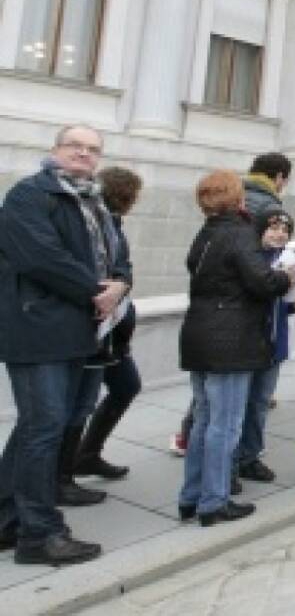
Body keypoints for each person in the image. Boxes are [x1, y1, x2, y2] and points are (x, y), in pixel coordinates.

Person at [0, 125, 128, 565]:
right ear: (55, 150)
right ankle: (40, 534)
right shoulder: (29, 195)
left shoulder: (95, 202)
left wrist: (122, 283)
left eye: (93, 150)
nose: (84, 154)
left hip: (76, 331)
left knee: (37, 427)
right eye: (75, 146)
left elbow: (118, 254)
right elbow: (40, 256)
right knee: (43, 429)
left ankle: (6, 519)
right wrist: (97, 289)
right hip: (37, 330)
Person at [178, 170, 294, 526]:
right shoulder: (240, 233)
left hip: (198, 332)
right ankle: (214, 501)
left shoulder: (207, 232)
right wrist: (284, 276)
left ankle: (191, 495)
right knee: (225, 423)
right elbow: (260, 282)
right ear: (237, 198)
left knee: (202, 420)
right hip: (229, 338)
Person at [72, 167, 144, 481]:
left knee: (126, 386)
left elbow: (122, 271)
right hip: (100, 332)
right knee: (79, 403)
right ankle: (64, 472)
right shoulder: (101, 225)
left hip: (113, 333)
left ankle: (86, 455)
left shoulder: (111, 224)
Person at [233, 209, 295, 483]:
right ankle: (231, 461)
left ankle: (250, 456)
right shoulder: (251, 259)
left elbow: (285, 304)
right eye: (273, 228)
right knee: (239, 404)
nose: (279, 234)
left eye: (284, 230)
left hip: (274, 342)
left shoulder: (289, 260)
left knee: (260, 402)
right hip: (249, 343)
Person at [243, 153, 291, 222]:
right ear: (279, 176)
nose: (285, 185)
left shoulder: (233, 195)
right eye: (287, 180)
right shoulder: (270, 207)